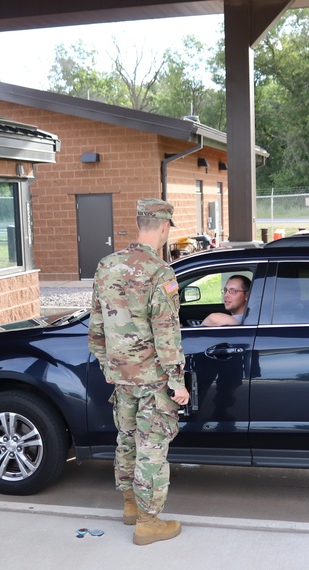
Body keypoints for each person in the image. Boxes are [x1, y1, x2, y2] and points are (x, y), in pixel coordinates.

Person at [88, 198, 190, 546]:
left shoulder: (106, 265)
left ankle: (130, 506)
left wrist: (106, 364)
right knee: (152, 446)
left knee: (127, 440)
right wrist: (177, 382)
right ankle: (148, 522)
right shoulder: (159, 272)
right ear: (164, 226)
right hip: (152, 379)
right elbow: (166, 332)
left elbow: (97, 324)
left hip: (121, 376)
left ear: (140, 222)